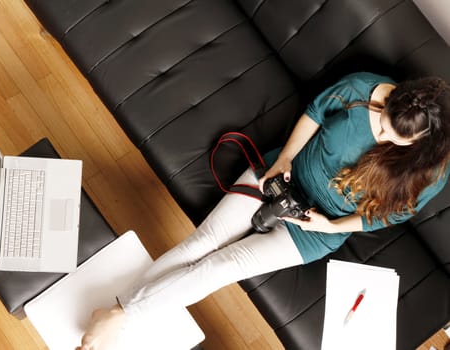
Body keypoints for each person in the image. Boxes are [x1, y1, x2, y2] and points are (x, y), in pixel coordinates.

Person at [76, 72, 450, 349]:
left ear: (421, 141)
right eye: (383, 126)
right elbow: (315, 113)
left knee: (222, 265)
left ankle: (116, 316)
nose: (381, 138)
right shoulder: (361, 91)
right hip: (281, 175)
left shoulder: (429, 171)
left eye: (394, 140)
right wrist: (283, 161)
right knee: (203, 243)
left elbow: (388, 215)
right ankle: (116, 318)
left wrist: (332, 228)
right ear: (393, 98)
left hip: (316, 228)